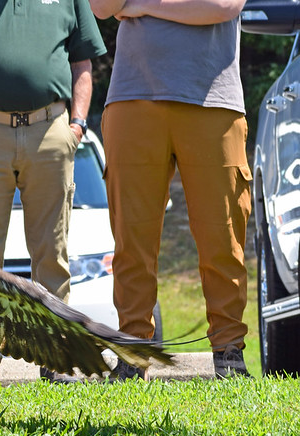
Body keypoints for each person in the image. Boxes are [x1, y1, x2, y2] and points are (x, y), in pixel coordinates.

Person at [89, 0, 252, 379]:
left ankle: (228, 352)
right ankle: (133, 350)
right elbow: (102, 7)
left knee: (223, 235)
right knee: (132, 238)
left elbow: (223, 6)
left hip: (214, 98)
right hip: (133, 95)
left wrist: (139, 5)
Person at [0, 0, 107, 384]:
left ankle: (55, 354)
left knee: (51, 252)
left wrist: (77, 126)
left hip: (50, 129)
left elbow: (82, 62)